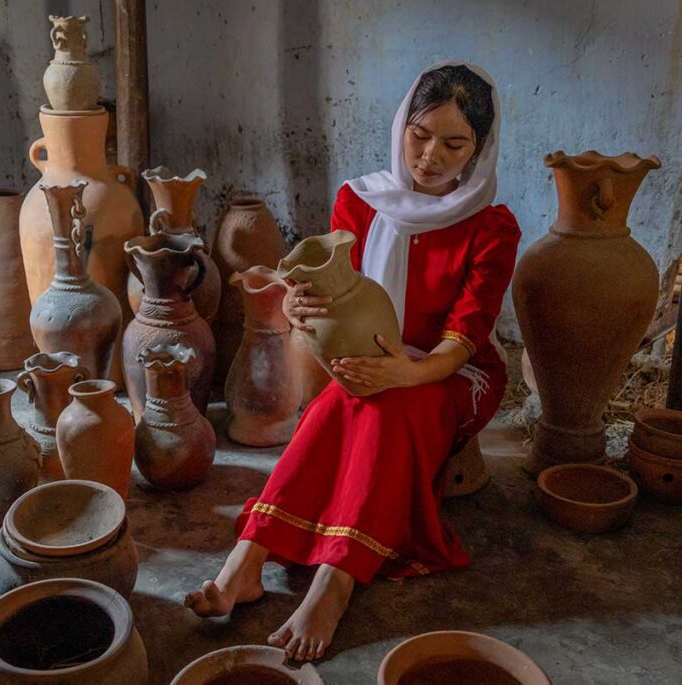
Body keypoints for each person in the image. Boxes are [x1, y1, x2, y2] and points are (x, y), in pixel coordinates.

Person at [184, 62, 522, 662]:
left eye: (454, 144)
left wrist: (407, 370)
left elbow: (466, 334)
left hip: (452, 369)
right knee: (343, 400)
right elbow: (333, 297)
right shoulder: (360, 203)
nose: (429, 157)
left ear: (479, 149)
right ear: (402, 126)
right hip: (367, 356)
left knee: (388, 403)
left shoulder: (490, 226)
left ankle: (335, 579)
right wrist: (299, 302)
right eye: (420, 135)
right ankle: (248, 559)